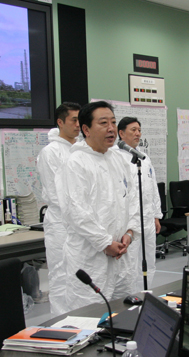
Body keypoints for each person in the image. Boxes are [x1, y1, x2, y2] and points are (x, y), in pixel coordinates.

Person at [62, 101, 140, 309]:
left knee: (125, 311)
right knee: (91, 317)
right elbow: (76, 212)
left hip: (121, 254)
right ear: (86, 129)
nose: (111, 128)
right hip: (91, 257)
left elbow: (132, 199)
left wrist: (130, 233)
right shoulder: (76, 162)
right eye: (103, 123)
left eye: (113, 122)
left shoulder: (118, 159)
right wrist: (106, 243)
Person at [36, 102, 80, 315]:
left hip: (79, 223)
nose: (78, 125)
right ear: (60, 122)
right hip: (61, 222)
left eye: (80, 120)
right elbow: (56, 193)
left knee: (79, 274)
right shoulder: (50, 152)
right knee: (61, 276)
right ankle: (62, 323)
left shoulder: (80, 149)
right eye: (74, 120)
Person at [115, 117, 162, 291]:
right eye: (133, 130)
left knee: (149, 259)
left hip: (148, 218)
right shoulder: (117, 158)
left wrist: (156, 215)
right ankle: (132, 297)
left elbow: (152, 187)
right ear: (121, 133)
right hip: (130, 222)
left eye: (139, 130)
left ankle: (147, 293)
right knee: (131, 264)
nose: (137, 133)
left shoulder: (144, 157)